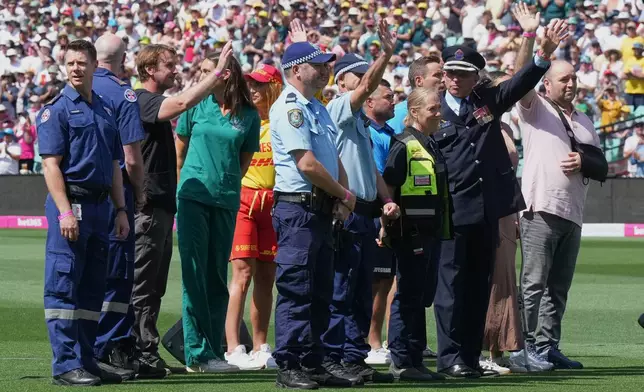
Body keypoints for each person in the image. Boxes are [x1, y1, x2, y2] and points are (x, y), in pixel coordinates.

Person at [433, 5, 567, 378]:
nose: (455, 79)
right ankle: (449, 358)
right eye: (450, 73)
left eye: (463, 74)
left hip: (486, 210)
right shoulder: (430, 109)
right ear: (442, 75)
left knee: (479, 287)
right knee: (450, 290)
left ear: (476, 78)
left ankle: (471, 357)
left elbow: (519, 82)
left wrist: (543, 53)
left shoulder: (487, 102)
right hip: (449, 212)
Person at [132, 42, 237, 371]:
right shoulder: (142, 99)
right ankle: (138, 351)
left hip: (162, 205)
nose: (176, 70)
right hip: (149, 207)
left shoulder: (151, 102)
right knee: (143, 283)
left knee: (154, 286)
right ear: (151, 70)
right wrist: (216, 73)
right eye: (169, 65)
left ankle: (145, 351)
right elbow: (181, 103)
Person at [37, 39, 129, 386]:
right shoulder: (56, 109)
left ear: (94, 66)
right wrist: (64, 212)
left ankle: (87, 360)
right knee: (64, 286)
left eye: (81, 62)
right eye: (70, 63)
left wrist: (120, 209)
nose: (76, 68)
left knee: (93, 288)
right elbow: (50, 166)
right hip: (71, 204)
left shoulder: (105, 109)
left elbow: (116, 165)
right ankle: (66, 364)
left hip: (100, 206)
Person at [270, 41, 356, 390]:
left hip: (319, 208)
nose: (325, 70)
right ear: (296, 70)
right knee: (296, 289)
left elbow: (333, 160)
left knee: (320, 290)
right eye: (317, 65)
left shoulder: (316, 108)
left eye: (326, 65)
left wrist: (342, 195)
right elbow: (306, 164)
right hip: (298, 208)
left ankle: (312, 361)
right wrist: (345, 194)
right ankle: (289, 364)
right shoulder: (290, 107)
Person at [321, 19, 400, 385]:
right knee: (342, 287)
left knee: (359, 290)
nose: (366, 83)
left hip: (366, 213)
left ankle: (353, 357)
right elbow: (369, 84)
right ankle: (333, 356)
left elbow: (371, 170)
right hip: (347, 213)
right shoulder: (338, 109)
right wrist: (384, 53)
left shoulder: (363, 126)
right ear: (343, 83)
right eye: (359, 77)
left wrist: (385, 200)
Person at [175, 46, 260, 373]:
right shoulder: (195, 107)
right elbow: (179, 153)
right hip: (193, 199)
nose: (206, 77)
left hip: (225, 200)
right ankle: (197, 352)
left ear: (229, 74)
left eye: (214, 70)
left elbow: (242, 163)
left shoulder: (249, 116)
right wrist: (183, 190)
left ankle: (210, 352)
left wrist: (224, 185)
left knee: (216, 276)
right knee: (194, 275)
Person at [516, 59, 600, 370]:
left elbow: (599, 162)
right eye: (563, 79)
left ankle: (548, 345)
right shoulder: (535, 107)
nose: (571, 84)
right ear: (547, 84)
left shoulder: (585, 120)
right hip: (541, 207)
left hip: (573, 213)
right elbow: (520, 81)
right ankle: (523, 346)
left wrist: (583, 160)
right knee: (533, 282)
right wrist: (538, 54)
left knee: (558, 287)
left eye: (574, 78)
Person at [90, 33, 165, 380]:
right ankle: (113, 348)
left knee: (87, 274)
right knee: (120, 276)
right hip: (118, 197)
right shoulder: (123, 94)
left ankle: (87, 349)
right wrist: (140, 193)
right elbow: (133, 159)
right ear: (124, 60)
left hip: (83, 195)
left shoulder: (79, 88)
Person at [381, 87, 450, 381]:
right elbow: (390, 188)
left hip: (429, 231)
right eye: (432, 109)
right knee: (407, 296)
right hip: (410, 232)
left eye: (438, 108)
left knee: (420, 296)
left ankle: (415, 357)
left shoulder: (430, 143)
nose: (438, 114)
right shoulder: (404, 144)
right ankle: (401, 360)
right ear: (415, 112)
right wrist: (386, 228)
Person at [224, 64, 283, 371]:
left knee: (266, 277)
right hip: (244, 200)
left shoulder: (285, 120)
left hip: (274, 203)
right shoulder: (241, 119)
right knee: (243, 274)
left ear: (275, 86)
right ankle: (233, 347)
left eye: (260, 84)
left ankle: (261, 346)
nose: (253, 89)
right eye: (250, 84)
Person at [364, 79, 396, 366]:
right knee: (377, 279)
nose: (394, 100)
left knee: (385, 280)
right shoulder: (369, 133)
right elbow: (377, 175)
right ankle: (371, 341)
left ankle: (378, 339)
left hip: (388, 211)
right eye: (388, 96)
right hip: (374, 211)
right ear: (370, 102)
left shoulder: (389, 132)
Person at [387, 55, 445, 134]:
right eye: (437, 75)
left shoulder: (442, 110)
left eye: (443, 75)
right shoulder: (399, 115)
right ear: (419, 81)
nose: (443, 80)